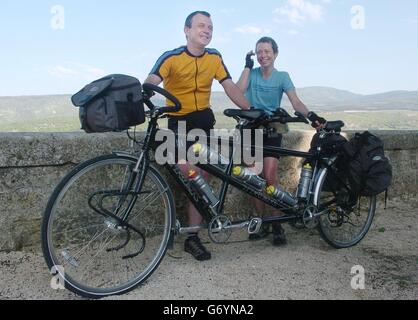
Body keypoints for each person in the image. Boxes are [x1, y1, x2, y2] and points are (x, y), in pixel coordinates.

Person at [145, 11, 250, 261]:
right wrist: (142, 95)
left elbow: (230, 86)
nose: (207, 30)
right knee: (187, 172)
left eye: (210, 27)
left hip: (202, 121)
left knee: (200, 175)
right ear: (187, 30)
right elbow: (151, 81)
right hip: (178, 122)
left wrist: (251, 111)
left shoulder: (214, 58)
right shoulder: (171, 57)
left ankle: (192, 236)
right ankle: (184, 227)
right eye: (201, 25)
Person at [237, 36, 326, 246]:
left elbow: (295, 102)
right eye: (259, 52)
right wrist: (247, 67)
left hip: (273, 127)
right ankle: (261, 222)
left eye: (267, 51)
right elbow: (238, 90)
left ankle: (276, 222)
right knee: (253, 178)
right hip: (250, 128)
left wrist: (313, 117)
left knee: (269, 176)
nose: (262, 55)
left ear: (275, 54)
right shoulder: (252, 73)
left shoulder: (283, 76)